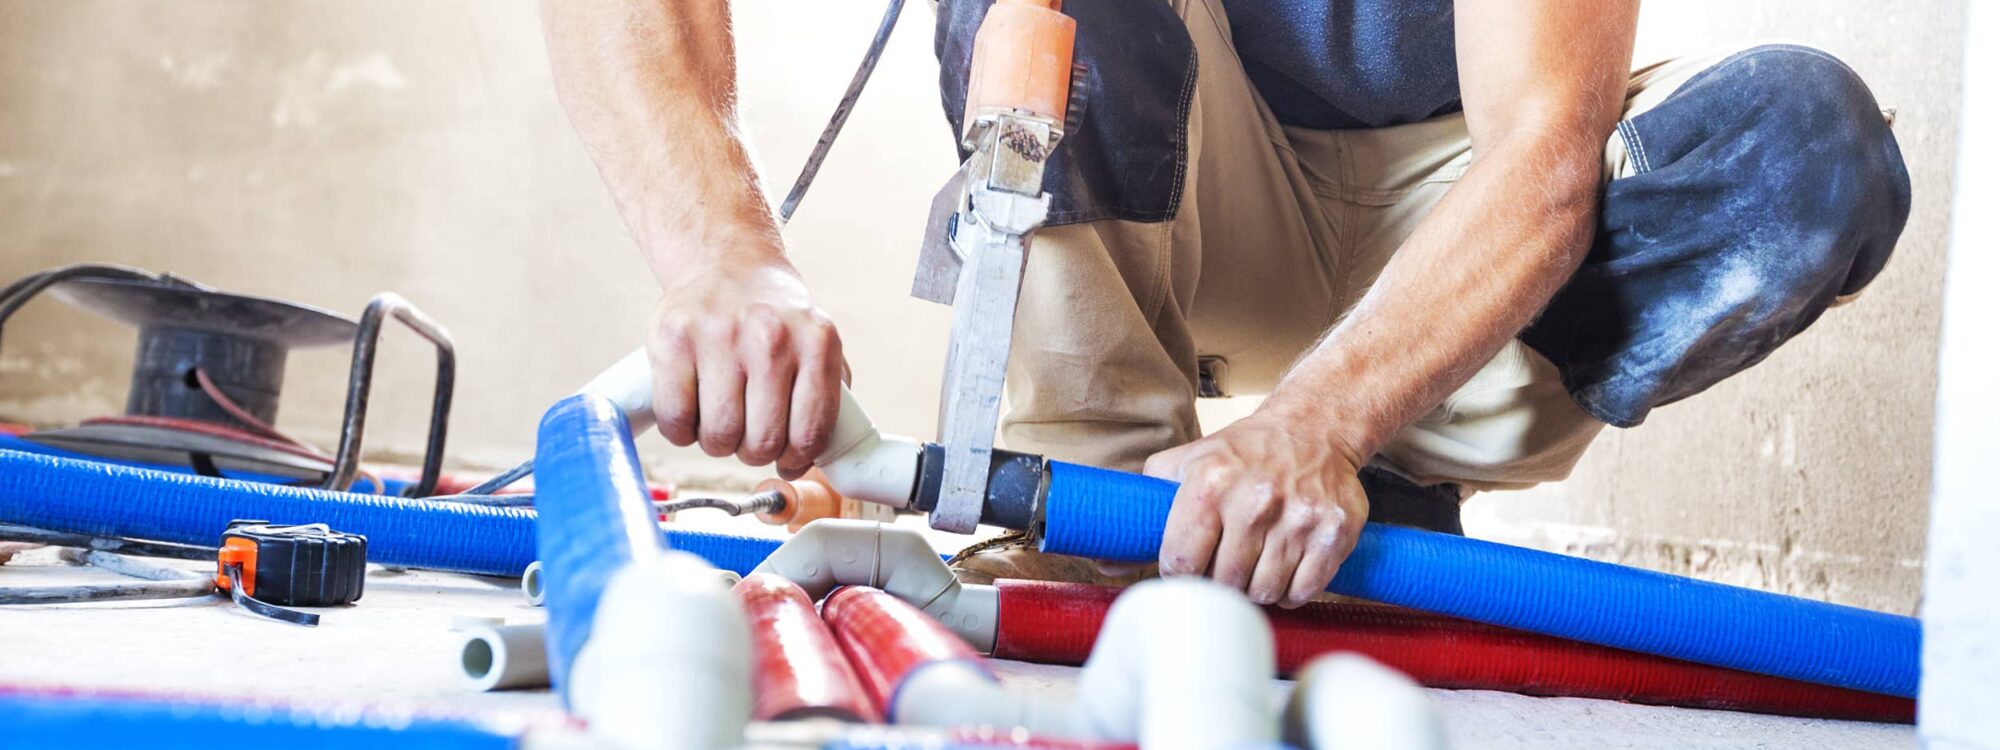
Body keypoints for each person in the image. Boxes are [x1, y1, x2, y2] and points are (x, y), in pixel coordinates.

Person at [539, 0, 1909, 609]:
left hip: (1456, 231)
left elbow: (1545, 152)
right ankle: (1095, 511)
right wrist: (723, 255)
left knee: (1803, 156)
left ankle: (1389, 471)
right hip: (1201, 185)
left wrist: (1319, 421)